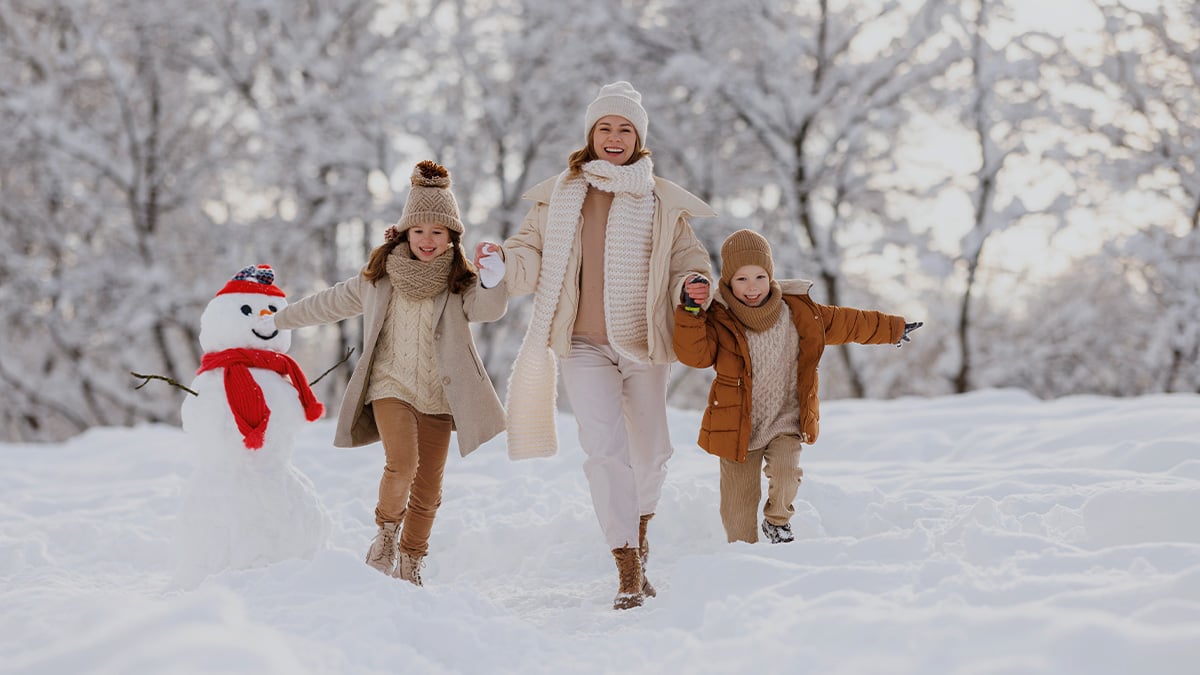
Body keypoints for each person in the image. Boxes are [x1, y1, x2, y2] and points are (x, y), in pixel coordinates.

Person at [473, 81, 715, 610]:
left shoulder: (659, 201)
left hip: (643, 345)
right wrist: (500, 267)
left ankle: (641, 535)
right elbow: (528, 254)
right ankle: (626, 566)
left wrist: (694, 287)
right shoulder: (559, 195)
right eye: (604, 127)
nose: (614, 136)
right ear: (590, 134)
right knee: (605, 452)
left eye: (625, 128)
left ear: (639, 138)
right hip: (581, 345)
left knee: (651, 454)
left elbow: (689, 262)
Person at [261, 160, 509, 586]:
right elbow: (329, 302)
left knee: (429, 488)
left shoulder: (459, 283)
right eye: (419, 230)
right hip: (390, 386)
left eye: (437, 231)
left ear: (451, 236)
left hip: (438, 395)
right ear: (405, 232)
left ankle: (412, 560)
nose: (427, 240)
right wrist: (280, 319)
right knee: (402, 463)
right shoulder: (380, 279)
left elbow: (488, 309)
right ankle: (386, 533)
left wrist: (493, 280)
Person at [672, 229, 921, 544]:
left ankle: (777, 523)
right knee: (737, 510)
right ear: (728, 282)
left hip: (785, 421)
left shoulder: (799, 312)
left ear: (771, 275)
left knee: (788, 472)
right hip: (737, 428)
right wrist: (692, 313)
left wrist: (894, 328)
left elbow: (851, 322)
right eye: (742, 279)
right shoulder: (719, 318)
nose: (752, 287)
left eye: (760, 277)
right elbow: (695, 355)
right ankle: (741, 559)